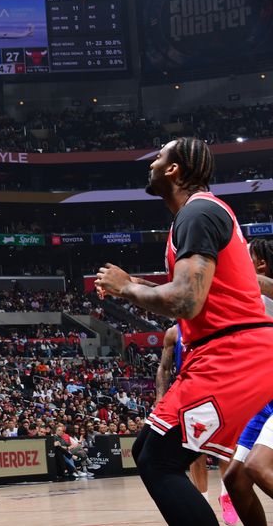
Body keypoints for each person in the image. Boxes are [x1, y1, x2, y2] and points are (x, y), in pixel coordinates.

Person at [95, 138, 273, 526]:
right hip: (229, 351)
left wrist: (127, 287)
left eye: (158, 157)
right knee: (148, 451)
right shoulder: (199, 214)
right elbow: (202, 295)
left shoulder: (198, 214)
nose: (152, 163)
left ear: (174, 169)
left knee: (158, 460)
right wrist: (137, 284)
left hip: (234, 355)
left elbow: (186, 301)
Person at [157, 324, 238, 524]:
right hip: (189, 396)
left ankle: (226, 495)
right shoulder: (173, 333)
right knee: (195, 453)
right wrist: (160, 398)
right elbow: (165, 368)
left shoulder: (217, 326)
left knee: (225, 450)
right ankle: (202, 499)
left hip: (220, 392)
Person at [222, 238, 273, 526]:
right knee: (235, 480)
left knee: (257, 466)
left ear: (261, 264)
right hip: (263, 397)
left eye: (246, 256)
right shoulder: (247, 295)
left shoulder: (262, 289)